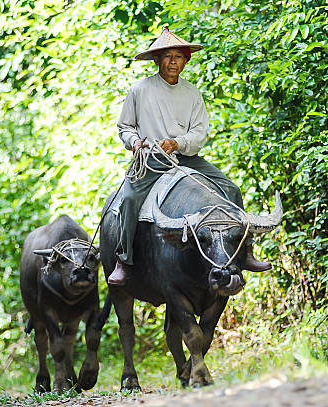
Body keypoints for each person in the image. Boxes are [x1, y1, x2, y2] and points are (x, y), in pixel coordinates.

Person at [108, 27, 271, 285]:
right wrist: (135, 142)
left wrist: (178, 143)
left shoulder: (192, 92)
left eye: (178, 56)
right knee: (128, 199)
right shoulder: (139, 90)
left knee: (231, 188)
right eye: (167, 56)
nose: (173, 61)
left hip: (186, 157)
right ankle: (124, 260)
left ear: (186, 60)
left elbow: (199, 132)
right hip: (151, 159)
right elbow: (124, 127)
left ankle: (246, 252)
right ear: (157, 60)